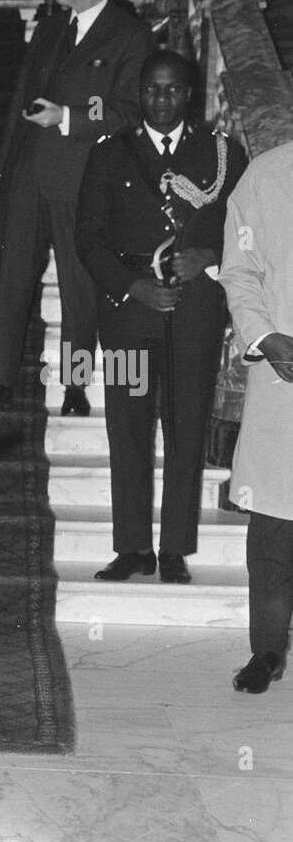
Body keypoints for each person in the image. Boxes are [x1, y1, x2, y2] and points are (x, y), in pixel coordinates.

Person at [76, 49, 246, 587]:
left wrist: (210, 259)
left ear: (189, 94)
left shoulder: (221, 154)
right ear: (140, 92)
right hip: (129, 312)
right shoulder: (109, 154)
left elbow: (245, 233)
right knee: (127, 428)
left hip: (193, 311)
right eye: (153, 89)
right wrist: (133, 287)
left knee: (185, 426)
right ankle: (131, 549)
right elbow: (89, 240)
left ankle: (173, 548)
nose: (162, 99)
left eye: (173, 90)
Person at [0, 0, 152, 414]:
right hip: (29, 176)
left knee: (80, 287)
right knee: (13, 278)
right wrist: (5, 169)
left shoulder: (129, 35)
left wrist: (70, 117)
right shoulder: (50, 28)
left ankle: (74, 387)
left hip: (81, 178)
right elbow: (20, 99)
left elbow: (129, 111)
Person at [219, 136, 293, 694]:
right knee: (273, 519)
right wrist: (265, 336)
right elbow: (239, 271)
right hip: (284, 376)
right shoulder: (265, 176)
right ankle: (266, 651)